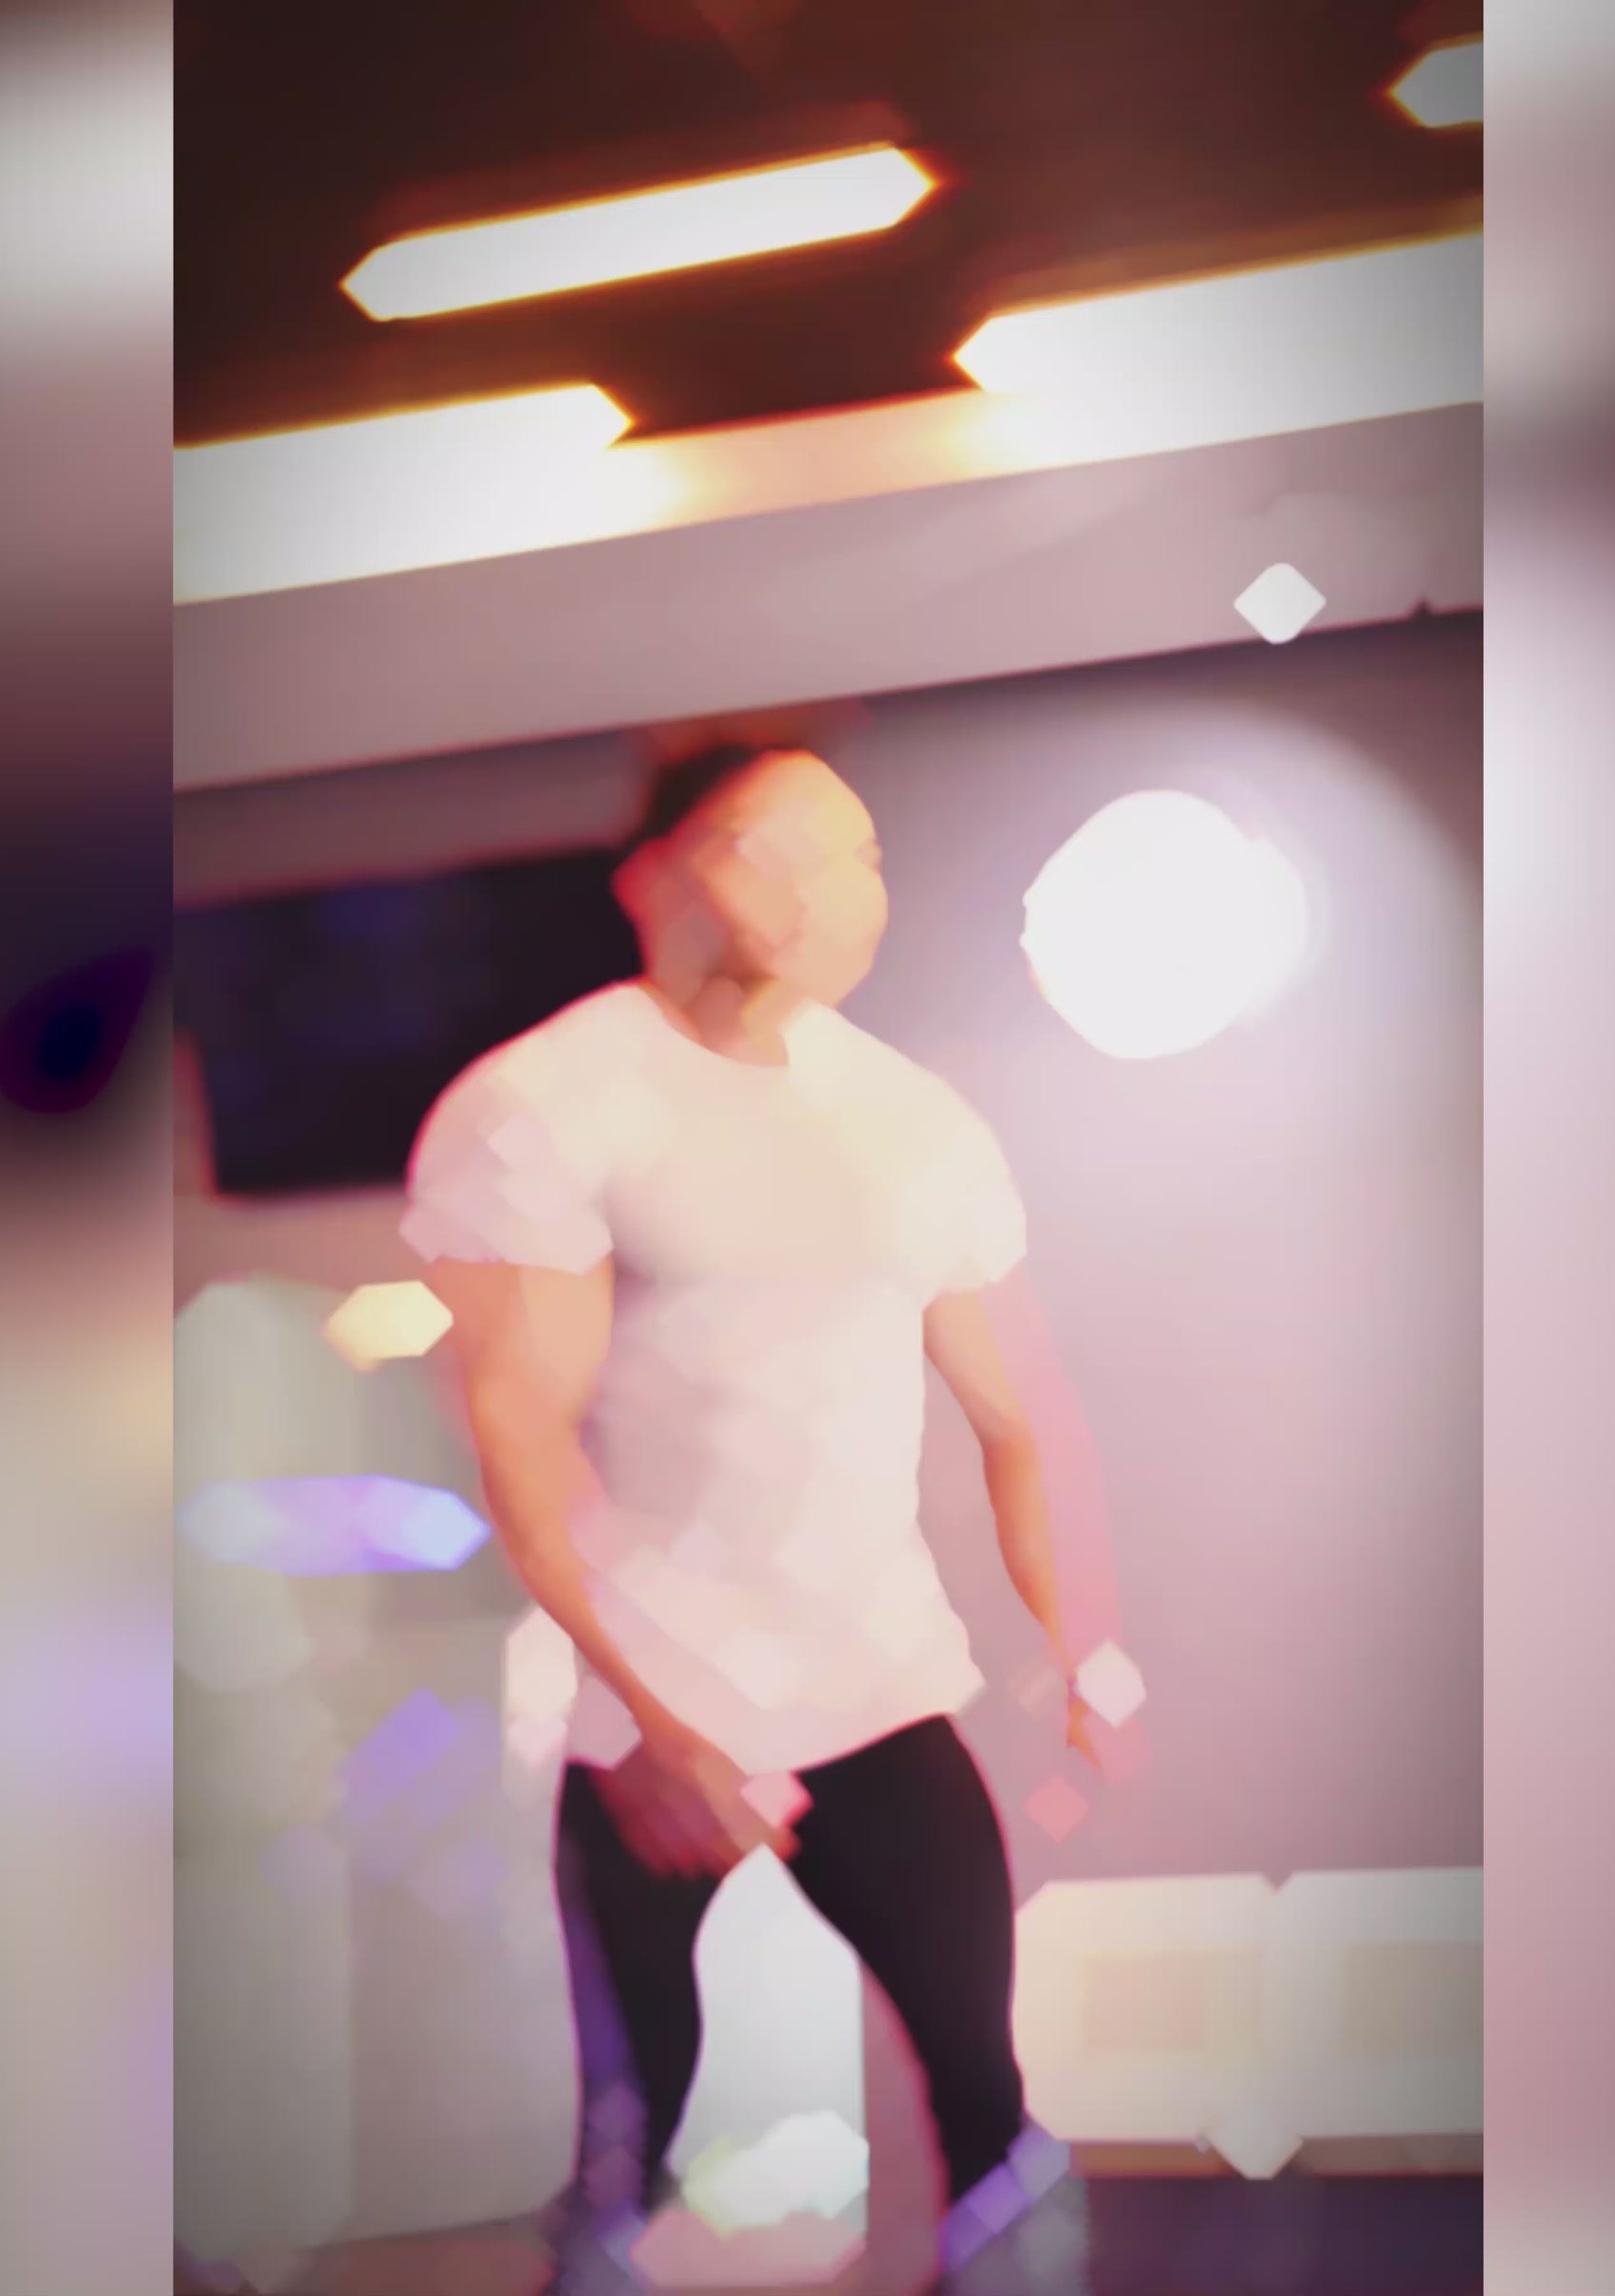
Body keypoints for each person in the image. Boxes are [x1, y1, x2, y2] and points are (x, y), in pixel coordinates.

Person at [402, 742, 1098, 2292]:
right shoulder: (545, 1105)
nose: (833, 889)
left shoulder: (913, 1122)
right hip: (645, 1720)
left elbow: (1014, 1414)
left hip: (874, 1683)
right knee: (641, 2139)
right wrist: (650, 1720)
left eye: (858, 856)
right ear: (667, 875)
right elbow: (521, 1438)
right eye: (777, 847)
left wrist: (1081, 1645)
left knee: (993, 2115)